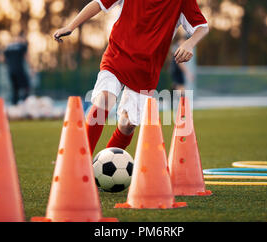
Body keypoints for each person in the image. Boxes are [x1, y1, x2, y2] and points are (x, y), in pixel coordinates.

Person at [53, 0, 209, 154]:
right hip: (117, 55)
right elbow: (99, 3)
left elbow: (202, 27)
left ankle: (105, 163)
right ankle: (82, 161)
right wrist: (70, 26)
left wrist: (190, 43)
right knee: (104, 99)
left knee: (128, 125)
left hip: (147, 68)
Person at [0, 32, 32, 105]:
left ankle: (15, 104)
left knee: (15, 89)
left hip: (11, 71)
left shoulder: (8, 47)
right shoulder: (22, 46)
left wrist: (9, 63)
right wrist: (32, 68)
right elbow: (27, 57)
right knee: (26, 87)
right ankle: (25, 103)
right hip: (19, 70)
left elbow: (1, 59)